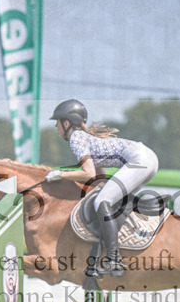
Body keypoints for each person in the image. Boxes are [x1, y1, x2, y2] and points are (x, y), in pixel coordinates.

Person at [45, 99, 159, 277]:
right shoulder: (85, 137)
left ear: (66, 123)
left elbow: (88, 173)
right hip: (149, 159)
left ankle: (114, 260)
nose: (56, 127)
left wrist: (61, 174)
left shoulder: (76, 138)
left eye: (57, 122)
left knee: (102, 202)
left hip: (140, 160)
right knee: (110, 201)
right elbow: (98, 177)